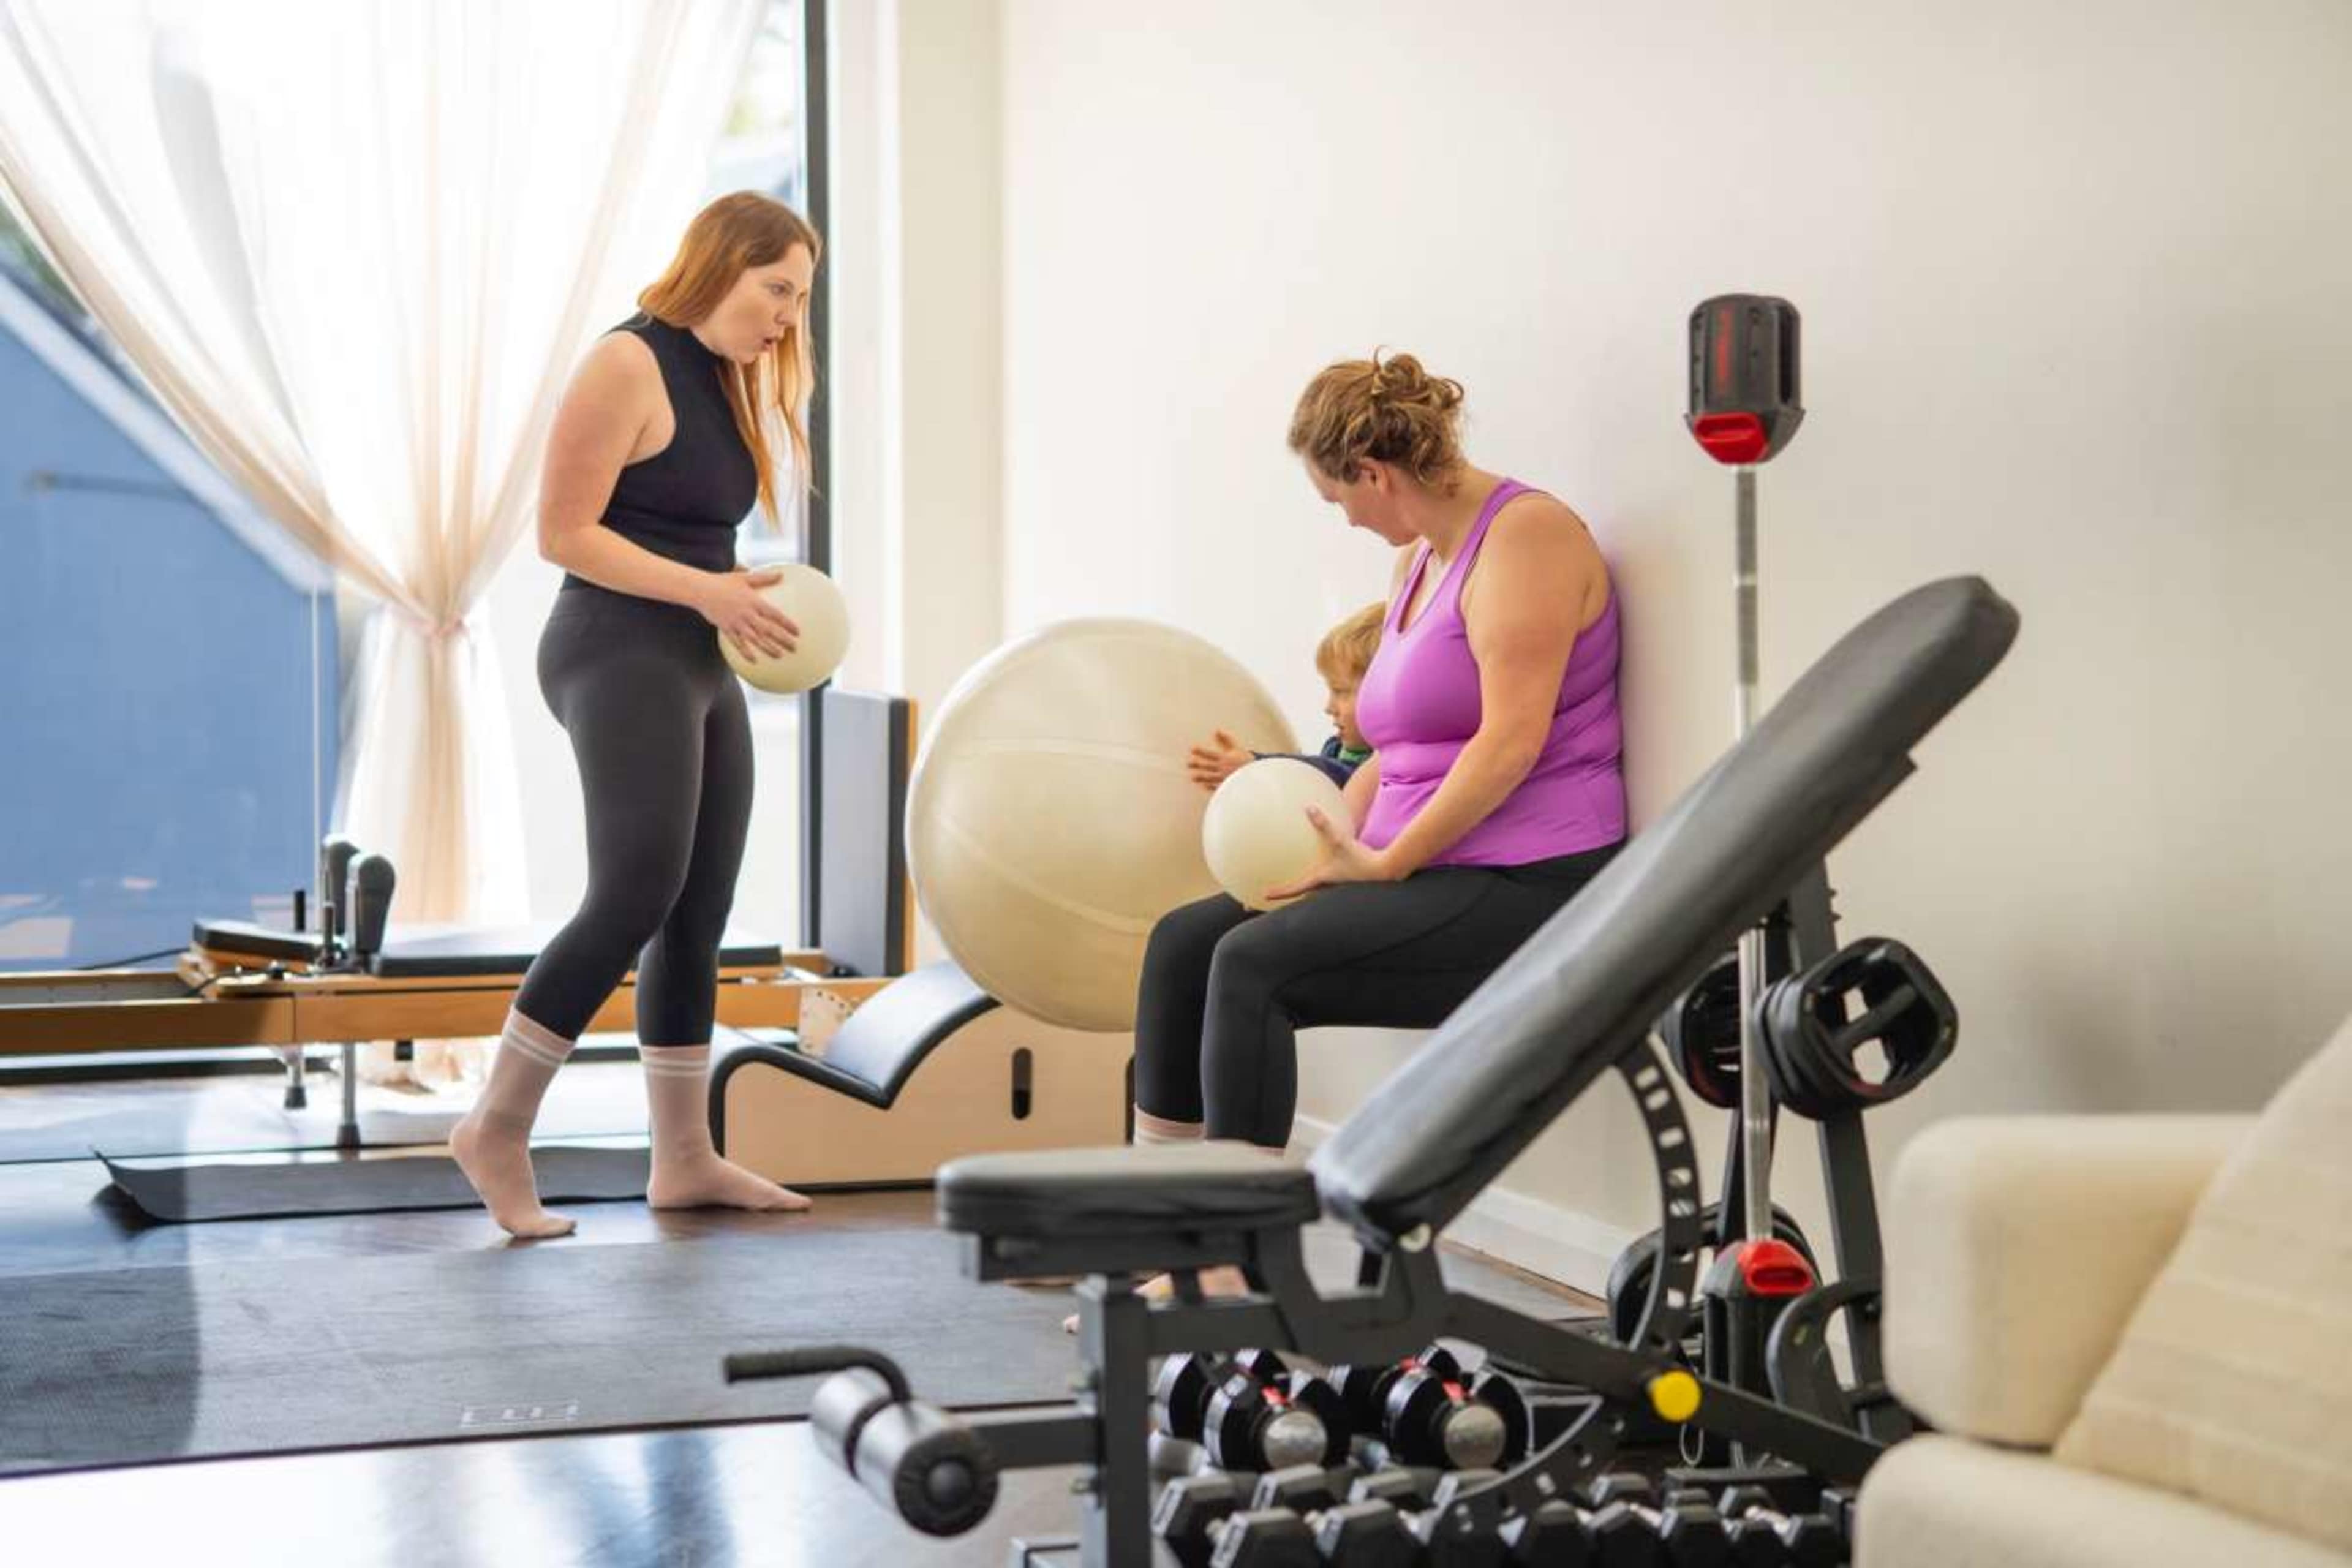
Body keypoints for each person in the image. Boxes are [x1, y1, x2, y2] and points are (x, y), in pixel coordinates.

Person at [1135, 350, 1627, 1158]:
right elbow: (1395, 752)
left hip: (1522, 879)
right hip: (1420, 865)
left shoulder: (1527, 539)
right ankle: (1153, 1213)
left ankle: (1232, 1248)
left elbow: (1509, 745)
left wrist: (1389, 861)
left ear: (1373, 473)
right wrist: (1325, 844)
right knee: (1185, 942)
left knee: (1253, 964)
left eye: (1339, 500)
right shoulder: (1417, 562)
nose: (1348, 521)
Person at [449, 192, 821, 1240]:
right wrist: (709, 594)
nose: (788, 317)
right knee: (634, 893)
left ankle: (685, 1159)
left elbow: (689, 535)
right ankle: (495, 1127)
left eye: (799, 297)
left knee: (699, 909)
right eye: (777, 290)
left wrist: (739, 588)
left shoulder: (726, 375)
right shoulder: (629, 360)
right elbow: (564, 533)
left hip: (698, 654)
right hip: (612, 648)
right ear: (720, 266)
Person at [1186, 601, 1383, 793]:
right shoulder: (1335, 748)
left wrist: (1257, 767)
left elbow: (1336, 778)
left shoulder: (1387, 767)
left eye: (1341, 691)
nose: (1329, 707)